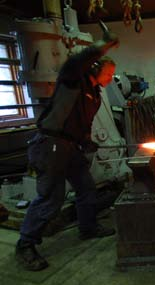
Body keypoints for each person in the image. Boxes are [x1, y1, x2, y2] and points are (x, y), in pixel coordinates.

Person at [15, 30, 119, 271]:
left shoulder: (94, 94)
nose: (111, 78)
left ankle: (88, 228)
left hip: (70, 147)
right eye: (109, 73)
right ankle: (25, 244)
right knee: (52, 199)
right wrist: (101, 46)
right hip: (50, 145)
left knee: (86, 187)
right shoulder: (74, 80)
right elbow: (74, 62)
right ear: (95, 69)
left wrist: (85, 140)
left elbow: (82, 122)